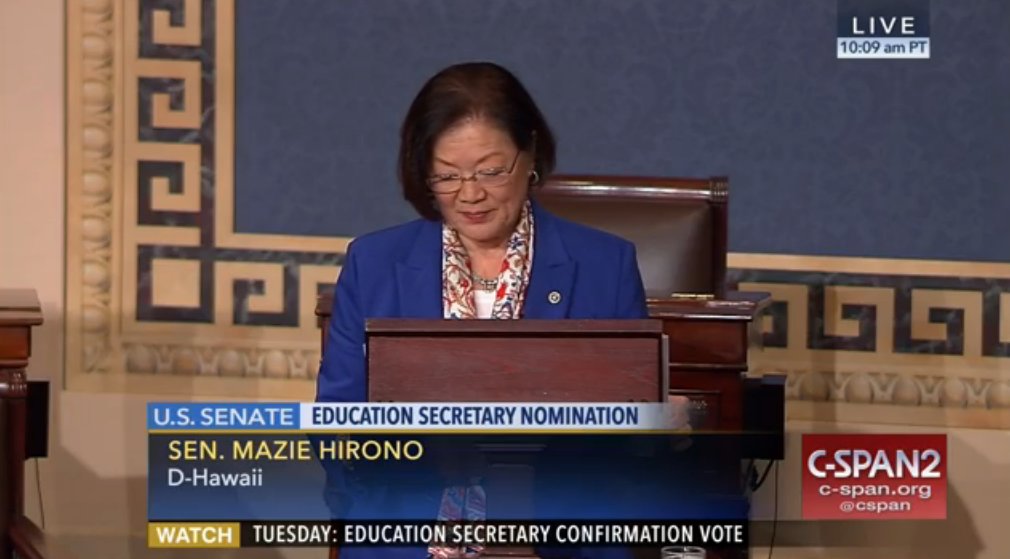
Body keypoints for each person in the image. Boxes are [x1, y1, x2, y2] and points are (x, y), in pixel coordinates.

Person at [315, 61, 648, 559]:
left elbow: (628, 441)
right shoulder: (374, 263)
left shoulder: (605, 266)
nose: (470, 194)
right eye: (446, 176)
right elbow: (336, 421)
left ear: (530, 153)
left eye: (491, 171)